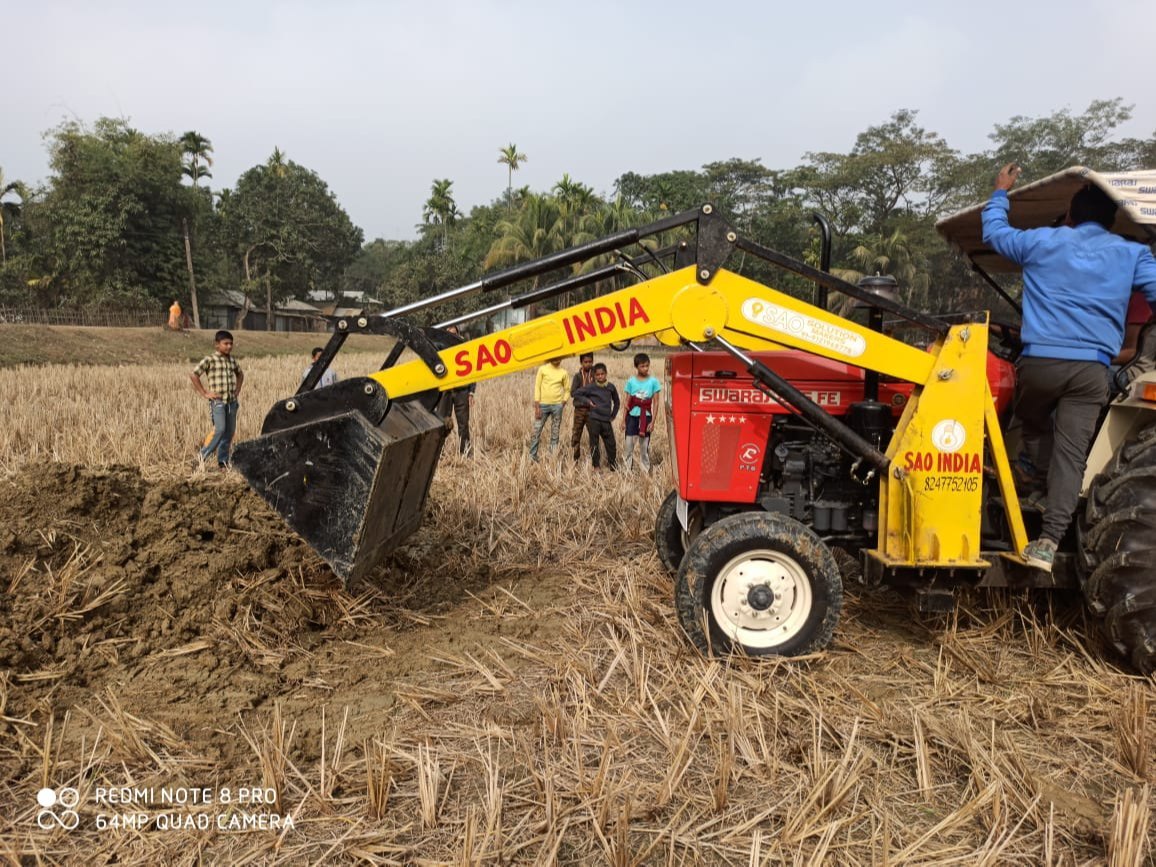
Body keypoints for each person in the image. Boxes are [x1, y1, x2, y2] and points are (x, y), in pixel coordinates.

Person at [982, 162, 1156, 571]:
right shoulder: (1131, 253)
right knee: (1071, 454)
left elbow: (995, 233)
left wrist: (1001, 191)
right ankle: (1048, 542)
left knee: (1028, 420)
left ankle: (1033, 479)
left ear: (1071, 217)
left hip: (1040, 364)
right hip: (1091, 370)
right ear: (1111, 223)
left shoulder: (1042, 241)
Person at [189, 330, 244, 470]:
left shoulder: (232, 360)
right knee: (220, 429)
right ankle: (201, 458)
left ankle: (222, 462)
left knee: (229, 432)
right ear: (217, 344)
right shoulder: (210, 360)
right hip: (218, 402)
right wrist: (204, 392)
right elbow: (194, 375)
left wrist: (237, 390)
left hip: (231, 402)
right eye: (226, 343)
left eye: (231, 343)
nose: (229, 346)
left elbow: (240, 374)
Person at [572, 362, 620, 470]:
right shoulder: (591, 387)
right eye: (597, 375)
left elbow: (617, 402)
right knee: (594, 444)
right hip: (594, 419)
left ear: (606, 373)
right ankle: (596, 466)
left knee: (611, 443)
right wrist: (587, 401)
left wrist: (613, 415)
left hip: (606, 420)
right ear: (594, 376)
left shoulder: (611, 387)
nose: (600, 376)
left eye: (602, 374)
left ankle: (612, 464)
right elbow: (575, 393)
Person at [622, 352, 662, 471]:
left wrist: (653, 422)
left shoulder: (654, 382)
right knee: (628, 446)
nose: (645, 368)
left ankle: (645, 471)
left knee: (644, 447)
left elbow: (656, 403)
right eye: (642, 366)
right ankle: (626, 471)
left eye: (647, 365)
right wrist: (623, 420)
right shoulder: (631, 381)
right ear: (636, 367)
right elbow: (627, 402)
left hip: (646, 417)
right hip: (632, 417)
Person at [530, 357, 569, 461]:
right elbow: (537, 387)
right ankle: (532, 456)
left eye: (559, 356)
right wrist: (537, 406)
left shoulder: (563, 372)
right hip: (543, 406)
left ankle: (552, 458)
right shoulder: (542, 369)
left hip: (557, 406)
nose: (557, 359)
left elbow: (567, 390)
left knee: (555, 433)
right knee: (536, 431)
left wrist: (562, 403)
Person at [445, 325, 475, 455]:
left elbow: (473, 370)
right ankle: (439, 453)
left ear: (458, 335)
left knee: (463, 424)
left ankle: (465, 452)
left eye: (454, 335)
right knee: (441, 423)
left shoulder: (465, 348)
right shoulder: (441, 348)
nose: (452, 337)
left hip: (462, 392)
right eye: (449, 335)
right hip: (445, 392)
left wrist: (471, 392)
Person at [570, 353, 595, 461]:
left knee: (594, 435)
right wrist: (587, 396)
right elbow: (573, 393)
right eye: (585, 362)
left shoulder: (595, 375)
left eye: (590, 362)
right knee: (576, 434)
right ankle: (575, 459)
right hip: (579, 410)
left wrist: (582, 392)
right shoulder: (577, 376)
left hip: (592, 411)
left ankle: (594, 460)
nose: (588, 364)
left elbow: (597, 391)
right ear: (581, 362)